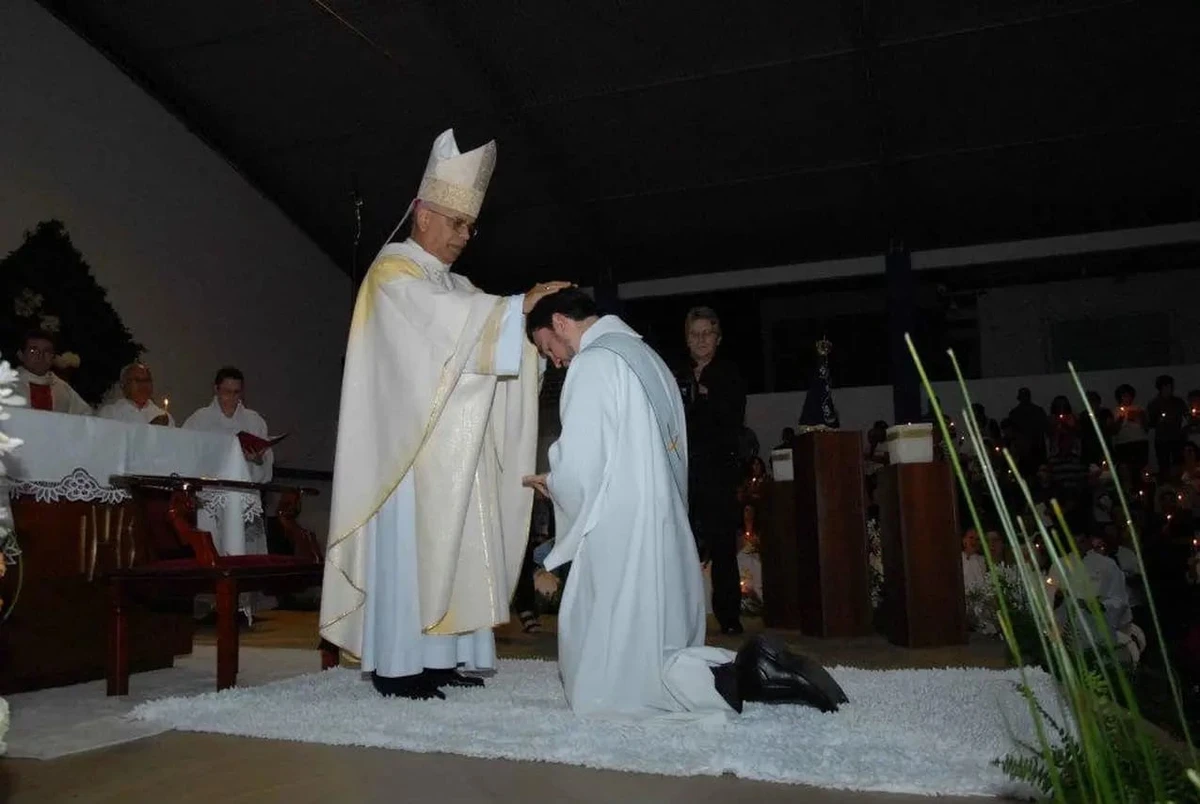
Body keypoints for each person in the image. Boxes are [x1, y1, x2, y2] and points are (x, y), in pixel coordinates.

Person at [318, 128, 571, 701]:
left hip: (451, 454)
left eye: (469, 226)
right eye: (455, 223)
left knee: (455, 548)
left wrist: (533, 332)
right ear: (422, 214)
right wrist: (514, 309)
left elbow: (474, 331)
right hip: (406, 459)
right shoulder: (393, 275)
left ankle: (440, 658)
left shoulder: (453, 283)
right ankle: (399, 663)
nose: (463, 237)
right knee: (414, 550)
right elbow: (448, 326)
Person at [522, 289, 847, 719]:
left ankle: (747, 676)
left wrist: (555, 482)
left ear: (561, 322)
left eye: (549, 348)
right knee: (658, 639)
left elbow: (583, 461)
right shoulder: (646, 358)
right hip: (662, 519)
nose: (557, 361)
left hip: (622, 524)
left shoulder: (595, 362)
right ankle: (753, 670)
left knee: (615, 666)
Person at [675, 307, 746, 635]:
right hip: (683, 474)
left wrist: (705, 397)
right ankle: (682, 617)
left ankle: (729, 618)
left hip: (718, 473)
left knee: (722, 548)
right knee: (681, 546)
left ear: (718, 338)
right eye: (695, 334)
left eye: (707, 333)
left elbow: (732, 421)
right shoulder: (676, 374)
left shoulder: (730, 373)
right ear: (687, 340)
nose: (701, 340)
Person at [182, 366, 273, 483]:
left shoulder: (254, 421)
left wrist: (257, 460)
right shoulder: (199, 419)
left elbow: (266, 464)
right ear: (216, 389)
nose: (232, 397)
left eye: (236, 392)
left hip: (244, 488)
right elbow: (185, 454)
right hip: (208, 488)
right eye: (227, 392)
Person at [13, 329, 91, 415]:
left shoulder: (64, 390)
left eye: (47, 352)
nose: (41, 356)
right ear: (21, 355)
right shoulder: (6, 385)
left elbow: (86, 418)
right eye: (33, 351)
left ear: (53, 357)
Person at [97, 363, 173, 426]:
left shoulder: (163, 417)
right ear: (124, 385)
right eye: (138, 380)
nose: (144, 385)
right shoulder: (110, 413)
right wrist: (151, 428)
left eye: (147, 380)